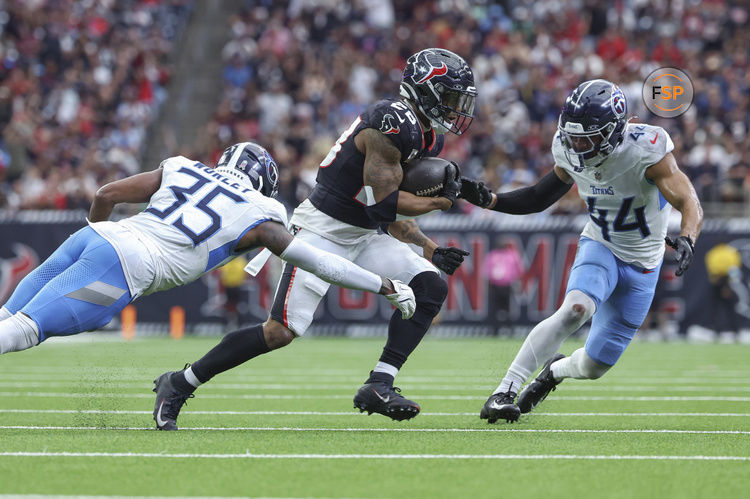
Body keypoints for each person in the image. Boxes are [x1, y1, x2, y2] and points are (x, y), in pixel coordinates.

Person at [0, 142, 416, 375]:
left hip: (96, 236)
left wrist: (96, 236)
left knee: (8, 317)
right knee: (22, 332)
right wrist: (383, 284)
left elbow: (105, 195)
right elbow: (320, 262)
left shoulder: (184, 167)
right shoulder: (263, 213)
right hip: (127, 265)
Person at [238, 47, 476, 422]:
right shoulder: (391, 121)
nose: (453, 109)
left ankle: (379, 384)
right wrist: (438, 203)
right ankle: (184, 380)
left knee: (431, 286)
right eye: (447, 98)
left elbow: (382, 211)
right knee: (281, 331)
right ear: (423, 91)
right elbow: (383, 203)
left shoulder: (427, 137)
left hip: (364, 232)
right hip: (323, 228)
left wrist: (429, 249)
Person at [460, 79, 703, 422]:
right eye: (573, 135)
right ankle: (504, 391)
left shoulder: (646, 149)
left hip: (644, 265)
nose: (578, 144)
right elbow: (539, 197)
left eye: (588, 136)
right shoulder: (568, 149)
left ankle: (554, 371)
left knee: (593, 366)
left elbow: (688, 199)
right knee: (575, 309)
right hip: (601, 244)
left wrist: (689, 237)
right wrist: (492, 200)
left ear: (615, 130)